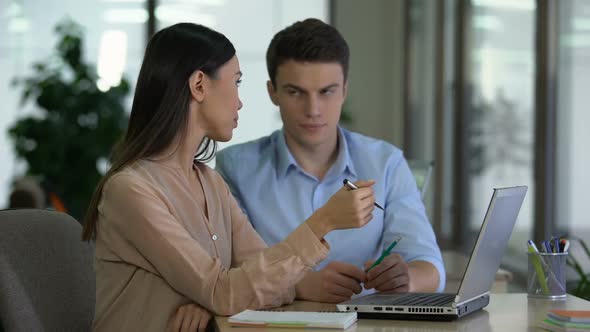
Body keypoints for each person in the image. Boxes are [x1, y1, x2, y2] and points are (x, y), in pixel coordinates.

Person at [81, 23, 377, 332]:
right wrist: (324, 221)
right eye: (236, 82)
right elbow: (226, 292)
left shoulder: (210, 182)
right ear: (199, 85)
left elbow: (260, 279)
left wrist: (212, 298)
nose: (239, 102)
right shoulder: (130, 190)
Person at [215, 18, 445, 304]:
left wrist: (407, 278)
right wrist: (300, 284)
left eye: (327, 91)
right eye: (295, 92)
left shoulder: (386, 163)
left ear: (345, 90)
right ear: (272, 92)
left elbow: (430, 265)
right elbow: (226, 271)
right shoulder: (234, 168)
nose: (313, 110)